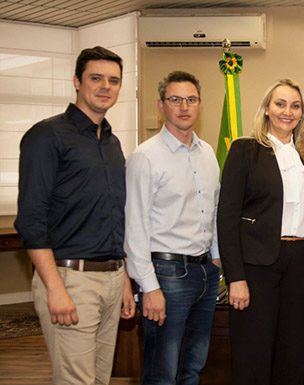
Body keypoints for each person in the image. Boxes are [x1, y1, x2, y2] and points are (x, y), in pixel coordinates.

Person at [14, 46, 135, 385]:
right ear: (76, 82)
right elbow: (31, 219)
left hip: (111, 277)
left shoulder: (111, 142)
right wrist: (55, 288)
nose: (105, 86)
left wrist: (123, 279)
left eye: (113, 80)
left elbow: (113, 217)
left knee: (98, 380)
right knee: (75, 381)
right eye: (96, 78)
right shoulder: (47, 135)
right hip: (71, 278)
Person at [217, 79, 304, 384]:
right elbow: (227, 218)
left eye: (295, 106)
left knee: (295, 352)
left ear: (302, 113)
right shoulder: (245, 150)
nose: (287, 112)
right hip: (255, 266)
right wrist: (235, 277)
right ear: (266, 108)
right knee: (254, 352)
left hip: (300, 263)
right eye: (280, 104)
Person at [124, 71, 220, 385]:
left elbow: (214, 210)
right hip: (166, 275)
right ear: (162, 105)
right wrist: (149, 287)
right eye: (175, 99)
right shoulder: (145, 157)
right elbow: (134, 227)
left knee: (193, 367)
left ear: (200, 105)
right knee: (162, 372)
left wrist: (217, 257)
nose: (184, 106)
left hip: (204, 272)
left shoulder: (207, 154)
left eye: (191, 99)